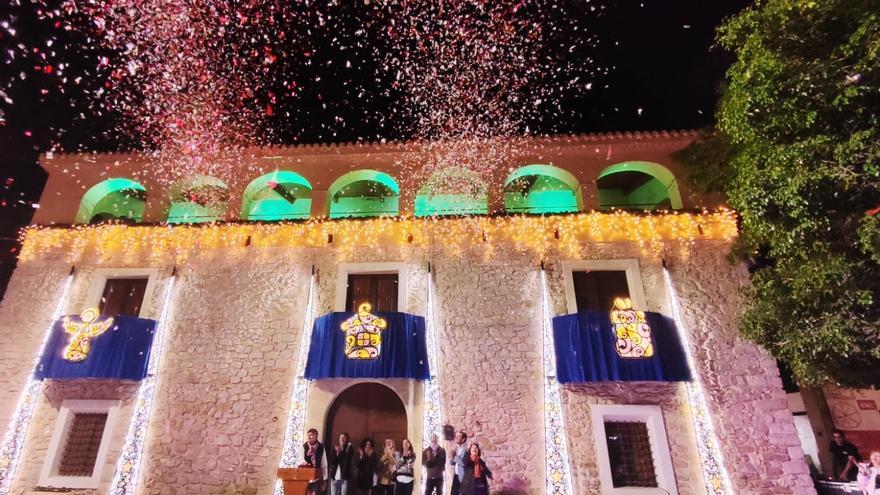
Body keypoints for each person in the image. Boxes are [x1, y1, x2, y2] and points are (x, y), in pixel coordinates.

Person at [303, 428, 327, 495]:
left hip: (316, 477)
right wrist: (307, 454)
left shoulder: (321, 447)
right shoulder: (304, 446)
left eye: (311, 435)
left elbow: (324, 462)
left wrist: (324, 478)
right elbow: (300, 461)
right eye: (308, 435)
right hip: (305, 477)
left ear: (316, 436)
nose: (309, 437)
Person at [449, 431, 468, 495]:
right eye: (456, 436)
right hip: (456, 476)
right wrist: (451, 457)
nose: (456, 437)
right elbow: (452, 463)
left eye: (458, 436)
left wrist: (454, 456)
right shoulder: (456, 449)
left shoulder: (467, 449)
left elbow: (464, 463)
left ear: (463, 439)